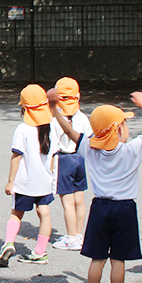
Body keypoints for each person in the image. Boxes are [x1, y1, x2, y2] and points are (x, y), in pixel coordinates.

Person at [51, 91, 142, 283]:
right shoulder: (132, 150)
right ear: (118, 129)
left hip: (100, 208)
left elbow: (69, 131)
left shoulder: (89, 148)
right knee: (118, 259)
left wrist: (53, 107)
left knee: (98, 258)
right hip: (125, 209)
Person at [0, 85, 58, 267]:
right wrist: (51, 177)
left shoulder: (23, 129)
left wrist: (10, 181)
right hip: (44, 181)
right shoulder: (53, 127)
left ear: (24, 107)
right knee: (44, 214)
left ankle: (8, 243)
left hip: (25, 182)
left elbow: (17, 156)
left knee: (16, 213)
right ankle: (40, 252)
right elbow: (53, 157)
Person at [50, 78, 90, 251]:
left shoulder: (55, 120)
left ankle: (71, 237)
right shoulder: (83, 117)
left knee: (67, 202)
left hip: (64, 160)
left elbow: (52, 146)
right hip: (79, 159)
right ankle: (78, 234)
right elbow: (88, 139)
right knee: (79, 201)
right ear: (78, 96)